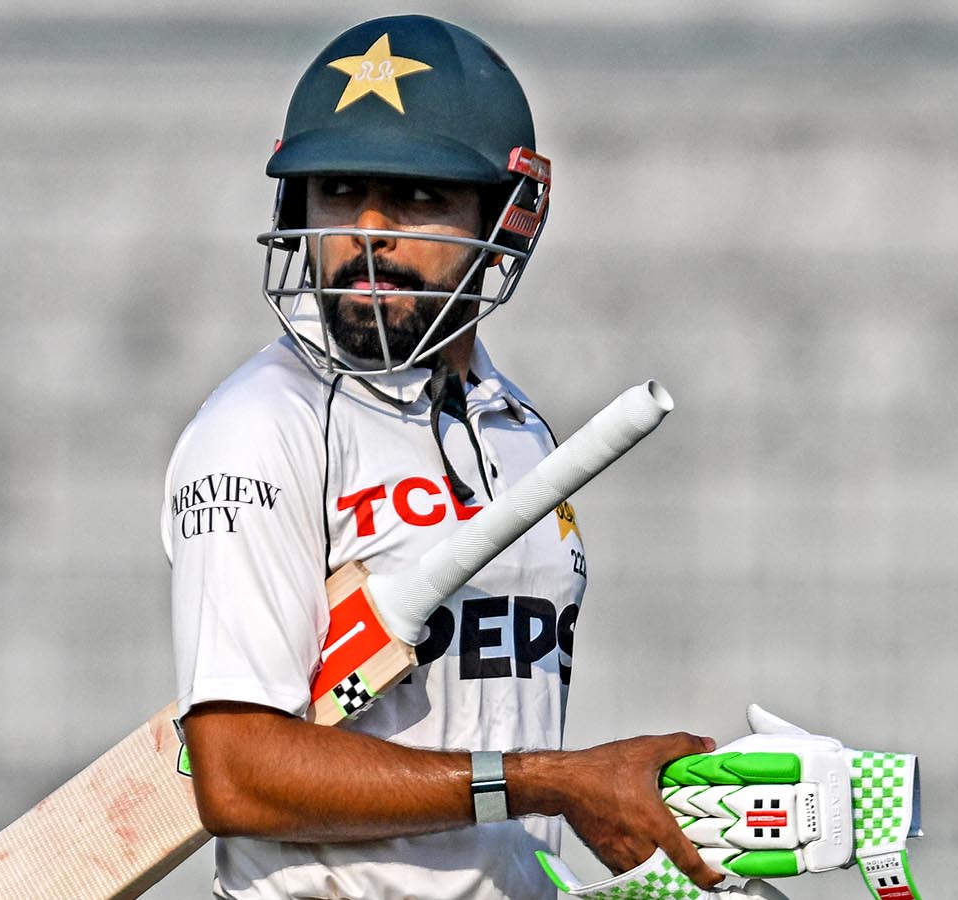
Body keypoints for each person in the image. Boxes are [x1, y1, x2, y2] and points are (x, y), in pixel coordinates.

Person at [160, 15, 726, 899]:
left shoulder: (514, 428)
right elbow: (235, 773)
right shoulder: (264, 425)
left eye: (420, 197)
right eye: (339, 189)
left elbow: (499, 728)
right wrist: (548, 780)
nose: (369, 230)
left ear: (508, 218)